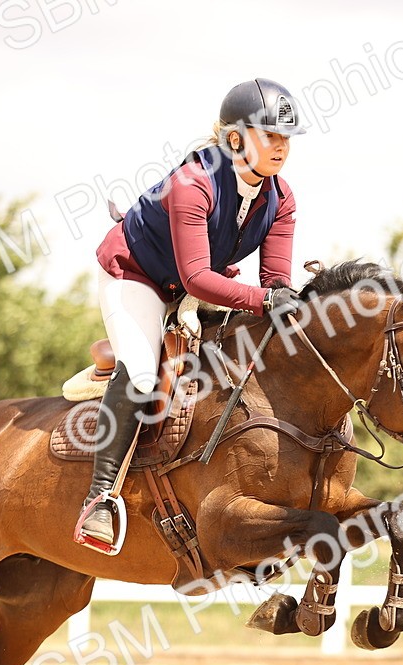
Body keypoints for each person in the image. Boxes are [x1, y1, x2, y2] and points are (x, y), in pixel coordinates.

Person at [75, 78, 307, 550]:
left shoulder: (281, 199)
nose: (282, 146)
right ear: (236, 138)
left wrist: (289, 302)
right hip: (137, 276)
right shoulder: (193, 182)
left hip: (192, 286)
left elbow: (275, 280)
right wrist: (265, 301)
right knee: (142, 376)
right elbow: (200, 278)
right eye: (271, 135)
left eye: (286, 138)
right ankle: (98, 501)